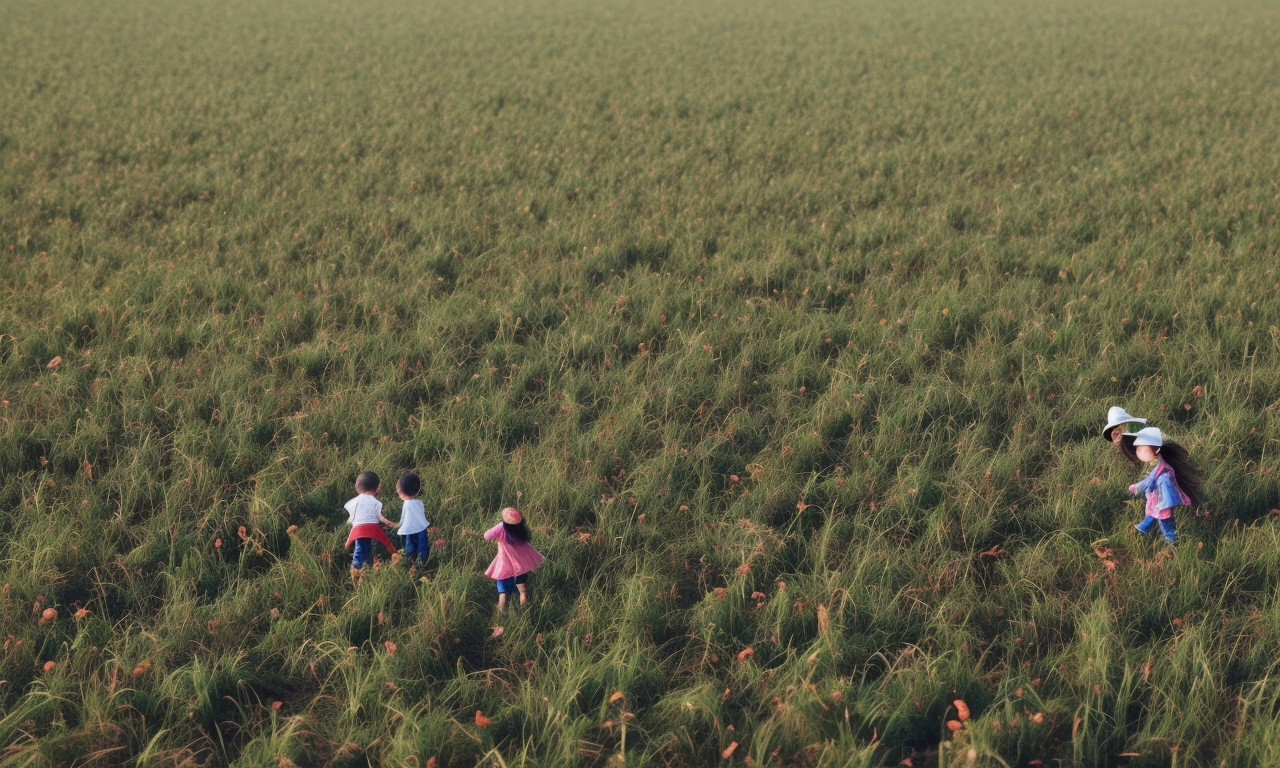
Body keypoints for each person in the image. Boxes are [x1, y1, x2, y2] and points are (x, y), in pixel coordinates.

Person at [1128, 427, 1204, 546]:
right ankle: (1144, 527)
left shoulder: (1161, 469)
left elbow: (1149, 480)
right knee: (1152, 512)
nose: (1139, 452)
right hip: (1156, 496)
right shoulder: (1158, 461)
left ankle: (1172, 539)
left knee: (1163, 518)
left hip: (1163, 499)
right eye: (1139, 449)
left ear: (1156, 449)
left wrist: (1136, 487)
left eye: (1143, 449)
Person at [483, 507, 544, 611]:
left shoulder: (502, 528)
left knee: (502, 592)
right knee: (522, 591)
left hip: (504, 566)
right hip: (521, 566)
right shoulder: (521, 530)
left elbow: (487, 536)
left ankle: (500, 611)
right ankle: (524, 611)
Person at [344, 471, 396, 580]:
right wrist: (391, 524)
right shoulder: (376, 502)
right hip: (372, 527)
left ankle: (362, 567)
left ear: (357, 488)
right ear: (378, 488)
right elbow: (380, 517)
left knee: (361, 546)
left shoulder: (354, 501)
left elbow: (352, 517)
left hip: (358, 528)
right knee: (368, 546)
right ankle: (359, 568)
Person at [392, 472, 430, 571]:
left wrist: (398, 525)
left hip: (410, 529)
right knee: (422, 546)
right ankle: (422, 563)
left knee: (410, 547)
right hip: (422, 528)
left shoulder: (406, 504)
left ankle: (411, 563)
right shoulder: (420, 503)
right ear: (417, 491)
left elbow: (404, 518)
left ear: (401, 492)